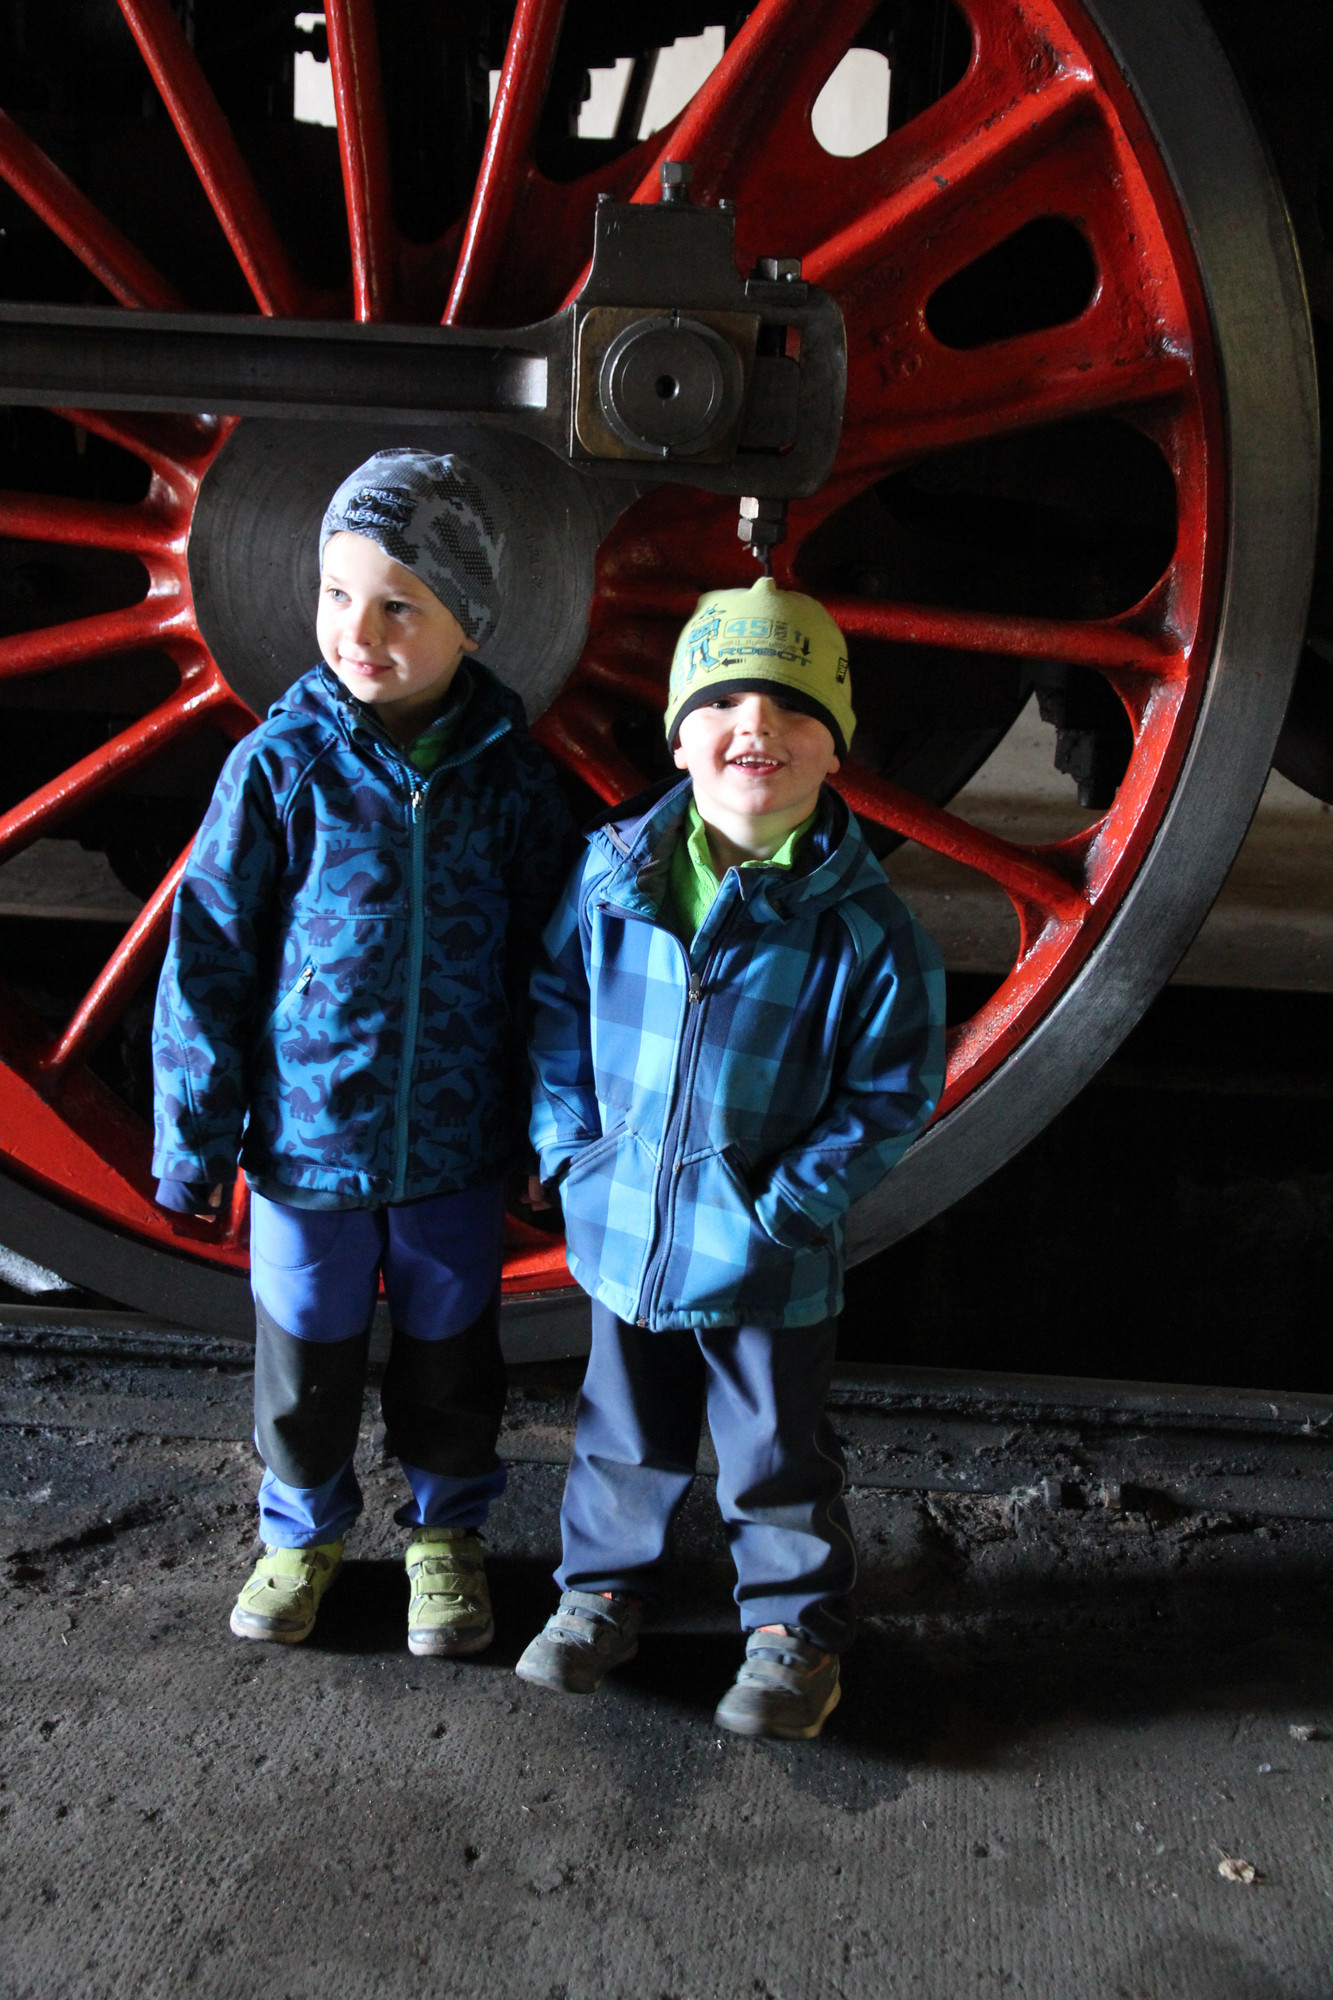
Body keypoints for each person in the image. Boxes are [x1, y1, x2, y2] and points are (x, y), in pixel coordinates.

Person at [151, 448, 572, 1656]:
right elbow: (208, 956)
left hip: (454, 1145)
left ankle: (447, 1533)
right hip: (305, 1144)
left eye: (400, 605)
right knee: (304, 1358)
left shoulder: (515, 785)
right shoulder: (278, 767)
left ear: (470, 620)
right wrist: (193, 1136)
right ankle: (300, 1531)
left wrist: (553, 1129)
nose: (358, 631)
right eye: (338, 594)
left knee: (453, 1359)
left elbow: (556, 971)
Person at [516, 575, 945, 1739]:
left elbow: (892, 1091)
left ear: (836, 748)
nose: (756, 724)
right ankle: (599, 1591)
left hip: (766, 1252)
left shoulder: (869, 932)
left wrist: (787, 1208)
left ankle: (794, 1631)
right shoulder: (610, 876)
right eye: (722, 701)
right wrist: (569, 1146)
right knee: (619, 1429)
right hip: (627, 1223)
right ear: (678, 735)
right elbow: (555, 1014)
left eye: (794, 706)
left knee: (774, 1450)